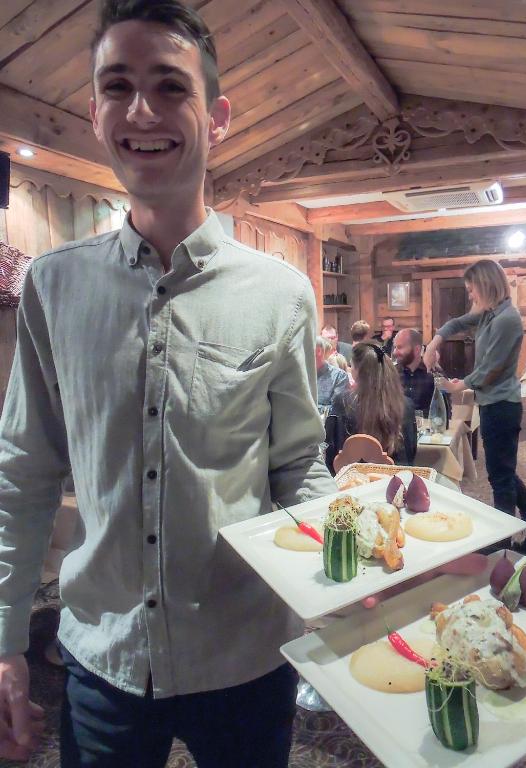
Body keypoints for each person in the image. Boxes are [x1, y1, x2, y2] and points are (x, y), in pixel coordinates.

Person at [0, 2, 336, 766]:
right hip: (103, 660)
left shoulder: (280, 295)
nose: (141, 109)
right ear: (94, 113)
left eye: (170, 87)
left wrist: (353, 576)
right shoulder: (52, 288)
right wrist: (5, 640)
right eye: (117, 86)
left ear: (215, 117)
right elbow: (22, 473)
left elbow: (297, 467)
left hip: (246, 657)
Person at [423, 259, 526, 554]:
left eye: (472, 290)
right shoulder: (489, 314)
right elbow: (457, 323)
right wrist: (435, 342)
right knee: (503, 471)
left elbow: (490, 369)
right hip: (495, 403)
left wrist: (459, 386)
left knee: (501, 479)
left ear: (485, 285)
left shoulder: (508, 319)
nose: (470, 296)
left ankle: (503, 546)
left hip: (502, 405)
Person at [325, 343, 417, 472]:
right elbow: (410, 455)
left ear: (359, 371)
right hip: (394, 483)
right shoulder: (406, 405)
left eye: (351, 366)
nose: (350, 370)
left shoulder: (343, 402)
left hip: (350, 484)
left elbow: (331, 455)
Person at [394, 328, 451, 419]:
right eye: (395, 347)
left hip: (428, 430)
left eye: (400, 347)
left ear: (417, 349)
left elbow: (444, 412)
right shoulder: (391, 373)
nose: (395, 352)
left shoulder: (434, 373)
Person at [316, 337, 350, 409]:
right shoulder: (299, 376)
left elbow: (337, 411)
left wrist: (307, 409)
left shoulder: (339, 376)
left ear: (318, 351)